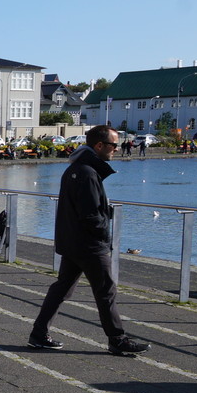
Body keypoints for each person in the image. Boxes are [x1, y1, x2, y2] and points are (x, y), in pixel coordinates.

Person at [29, 125, 150, 357]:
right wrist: (104, 234)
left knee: (62, 288)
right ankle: (117, 339)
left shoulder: (76, 168)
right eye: (114, 145)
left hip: (73, 241)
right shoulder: (87, 172)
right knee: (106, 291)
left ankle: (39, 333)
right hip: (89, 244)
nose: (117, 149)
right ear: (99, 145)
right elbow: (91, 214)